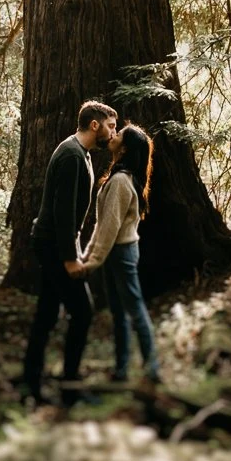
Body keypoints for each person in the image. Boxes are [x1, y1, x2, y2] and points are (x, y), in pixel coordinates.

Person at [21, 99, 117, 403]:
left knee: (47, 313)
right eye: (111, 126)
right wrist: (70, 258)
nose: (113, 134)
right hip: (53, 245)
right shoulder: (72, 155)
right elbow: (63, 213)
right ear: (94, 124)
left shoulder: (82, 154)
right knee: (83, 311)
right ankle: (69, 388)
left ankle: (33, 385)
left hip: (55, 242)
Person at [73, 123, 160, 383]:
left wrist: (91, 262)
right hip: (116, 252)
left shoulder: (121, 181)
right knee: (120, 313)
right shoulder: (120, 176)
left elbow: (109, 228)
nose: (113, 134)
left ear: (124, 148)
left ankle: (152, 370)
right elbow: (103, 227)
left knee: (135, 310)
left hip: (121, 253)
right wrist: (89, 255)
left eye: (119, 134)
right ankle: (122, 370)